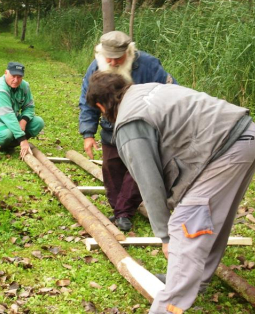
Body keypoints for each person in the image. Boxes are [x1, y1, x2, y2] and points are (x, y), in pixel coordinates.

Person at [86, 71, 255, 314]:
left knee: (188, 223)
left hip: (225, 148)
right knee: (212, 218)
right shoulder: (147, 90)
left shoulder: (129, 123)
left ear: (102, 105)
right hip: (244, 135)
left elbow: (149, 184)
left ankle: (168, 306)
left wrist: (166, 237)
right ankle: (197, 282)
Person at [79, 30, 177, 232]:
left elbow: (170, 92)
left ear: (129, 52)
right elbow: (88, 101)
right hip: (111, 129)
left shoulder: (149, 65)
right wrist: (88, 134)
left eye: (118, 58)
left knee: (138, 169)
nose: (113, 62)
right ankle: (119, 210)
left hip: (142, 129)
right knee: (110, 168)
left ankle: (124, 213)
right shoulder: (96, 66)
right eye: (109, 58)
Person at [0, 62, 44, 158]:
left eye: (19, 77)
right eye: (13, 76)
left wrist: (23, 122)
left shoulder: (24, 86)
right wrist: (23, 140)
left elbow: (29, 107)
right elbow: (8, 116)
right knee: (6, 134)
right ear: (6, 73)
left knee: (38, 122)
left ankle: (7, 146)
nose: (16, 80)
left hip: (11, 118)